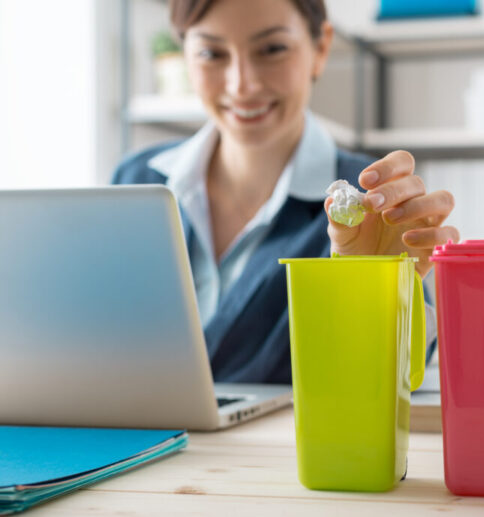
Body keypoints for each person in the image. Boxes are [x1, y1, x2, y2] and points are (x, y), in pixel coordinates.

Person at [112, 0, 458, 383]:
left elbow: (399, 375)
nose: (242, 84)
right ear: (184, 53)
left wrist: (380, 290)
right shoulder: (136, 180)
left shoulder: (370, 202)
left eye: (272, 49)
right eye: (212, 53)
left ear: (320, 48)